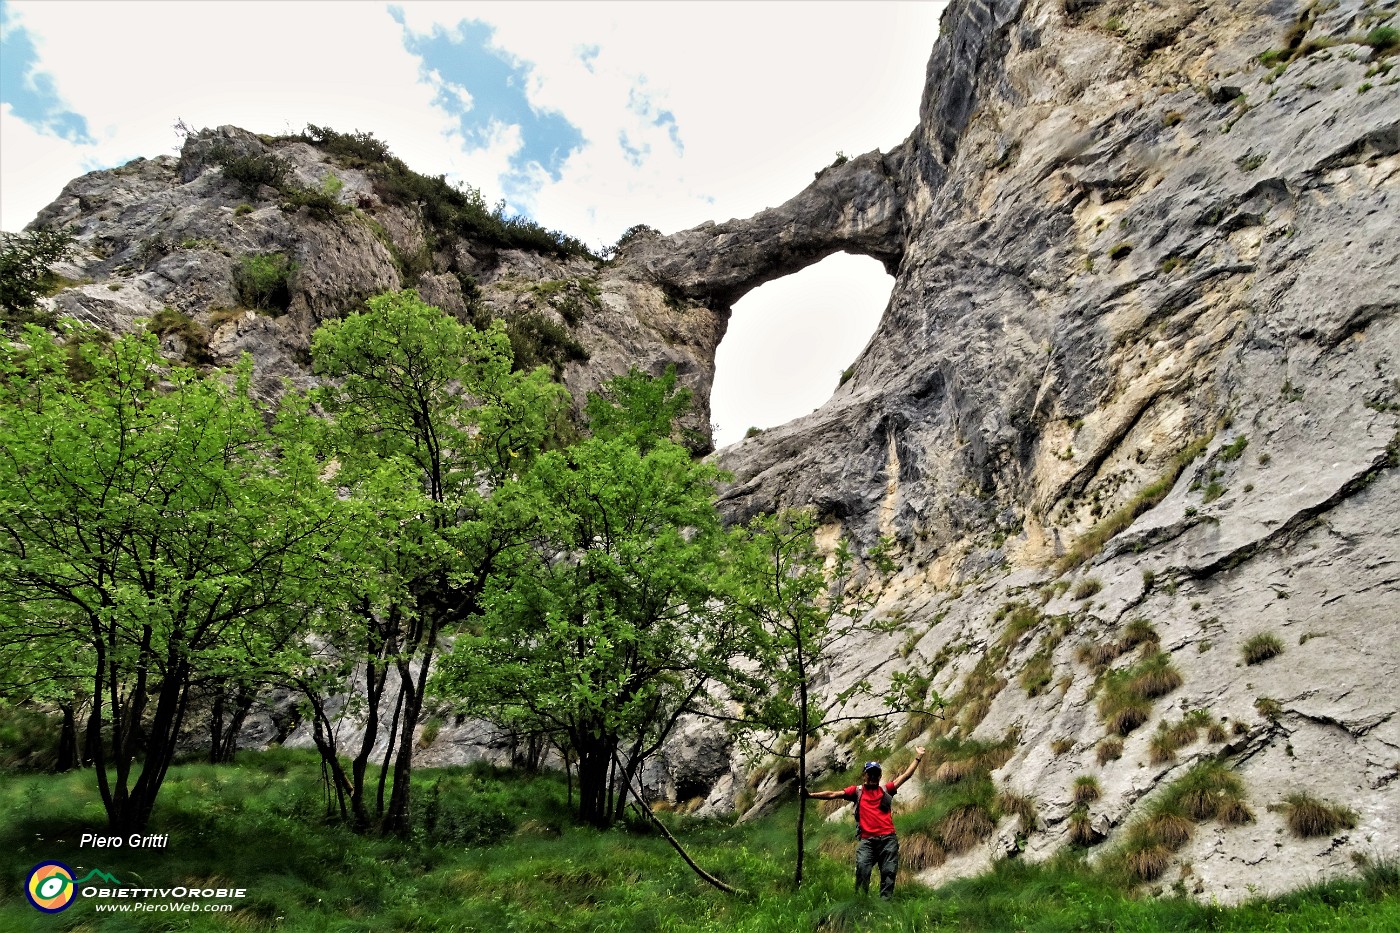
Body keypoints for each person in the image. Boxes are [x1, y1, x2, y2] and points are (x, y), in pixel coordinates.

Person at [802, 745, 926, 899]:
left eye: (876, 774)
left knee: (889, 873)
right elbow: (833, 794)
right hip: (867, 841)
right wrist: (810, 795)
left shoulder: (886, 790)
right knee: (863, 868)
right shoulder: (856, 791)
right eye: (870, 774)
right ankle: (860, 902)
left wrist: (918, 756)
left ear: (880, 776)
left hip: (888, 839)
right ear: (864, 775)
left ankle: (884, 905)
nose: (873, 776)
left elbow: (906, 775)